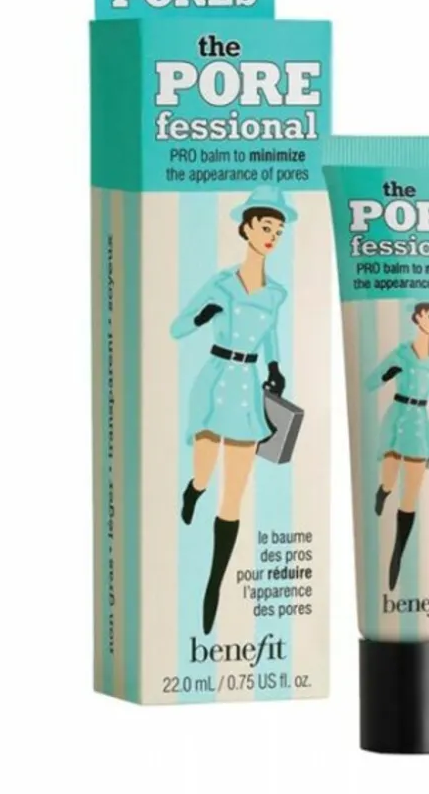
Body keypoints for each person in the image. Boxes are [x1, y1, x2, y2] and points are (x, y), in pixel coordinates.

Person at [170, 185, 295, 634]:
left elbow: (271, 336)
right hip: (214, 381)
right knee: (206, 472)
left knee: (235, 493)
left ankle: (215, 585)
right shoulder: (221, 284)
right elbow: (177, 328)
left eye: (278, 230)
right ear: (246, 228)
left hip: (247, 388)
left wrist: (275, 367)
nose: (272, 236)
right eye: (266, 227)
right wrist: (201, 316)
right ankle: (193, 490)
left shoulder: (276, 293)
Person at [366, 301, 429, 590]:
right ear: (418, 317)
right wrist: (386, 375)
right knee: (390, 479)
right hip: (396, 418)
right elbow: (369, 383)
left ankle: (397, 555)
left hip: (418, 424)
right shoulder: (400, 354)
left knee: (410, 494)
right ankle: (383, 491)